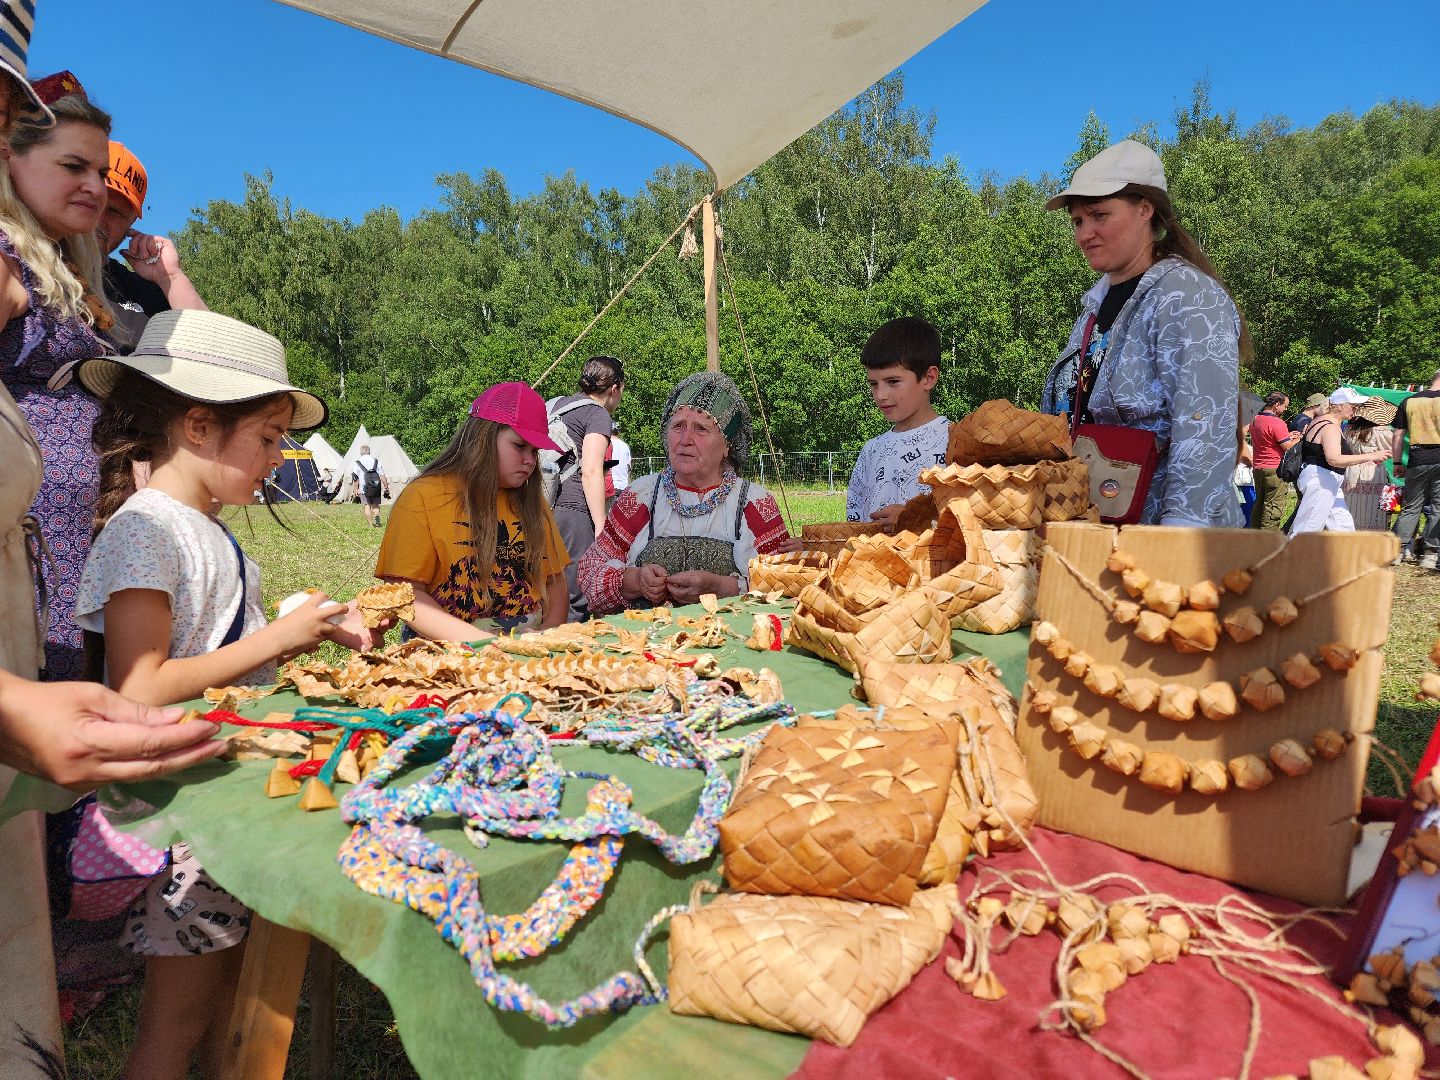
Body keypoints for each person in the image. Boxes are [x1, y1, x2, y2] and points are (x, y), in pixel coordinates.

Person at [71, 310, 378, 1080]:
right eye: (269, 437)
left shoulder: (207, 528)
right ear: (200, 427)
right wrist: (276, 640)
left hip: (229, 802)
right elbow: (140, 685)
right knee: (175, 1025)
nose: (280, 457)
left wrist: (306, 626)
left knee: (243, 1010)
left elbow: (216, 651)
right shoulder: (147, 529)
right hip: (188, 820)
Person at [1040, 141, 1246, 527]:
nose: (1085, 234)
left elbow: (1205, 424)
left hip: (1161, 536)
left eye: (1099, 215)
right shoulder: (1095, 306)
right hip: (1098, 526)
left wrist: (1179, 536)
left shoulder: (1185, 295)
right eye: (1078, 221)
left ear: (1144, 209)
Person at [0, 83, 123, 680]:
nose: (96, 187)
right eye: (73, 166)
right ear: (9, 157)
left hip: (74, 536)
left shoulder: (58, 264)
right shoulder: (5, 260)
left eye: (100, 172)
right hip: (26, 540)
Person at [578, 371, 793, 615]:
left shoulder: (753, 503)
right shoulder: (641, 496)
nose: (685, 439)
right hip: (646, 637)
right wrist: (635, 581)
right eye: (678, 426)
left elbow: (786, 583)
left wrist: (722, 587)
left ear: (727, 445)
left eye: (701, 428)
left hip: (730, 638)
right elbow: (589, 573)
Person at [375, 382, 570, 638]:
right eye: (520, 446)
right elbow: (405, 593)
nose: (530, 460)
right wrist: (482, 643)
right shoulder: (423, 496)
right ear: (482, 438)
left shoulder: (532, 502)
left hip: (526, 645)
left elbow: (556, 581)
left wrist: (548, 631)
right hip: (444, 647)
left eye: (535, 451)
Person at [97, 140, 206, 344]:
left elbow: (210, 348)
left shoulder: (144, 295)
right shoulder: (32, 266)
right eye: (93, 202)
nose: (98, 219)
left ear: (132, 223)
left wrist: (171, 277)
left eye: (114, 211)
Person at [845, 317, 949, 529]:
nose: (880, 395)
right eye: (874, 384)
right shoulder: (871, 451)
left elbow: (975, 525)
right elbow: (854, 528)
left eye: (893, 382)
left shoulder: (957, 442)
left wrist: (915, 519)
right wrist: (814, 542)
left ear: (929, 378)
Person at [548, 355, 624, 620]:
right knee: (576, 595)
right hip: (572, 509)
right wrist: (602, 526)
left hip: (541, 503)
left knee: (548, 589)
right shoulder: (598, 414)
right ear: (614, 388)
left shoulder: (557, 404)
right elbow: (591, 471)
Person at [1289, 389, 1391, 535]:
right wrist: (1371, 456)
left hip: (1325, 479)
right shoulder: (1330, 426)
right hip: (1321, 479)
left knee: (1343, 526)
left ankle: (1346, 550)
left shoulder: (1322, 420)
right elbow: (1334, 459)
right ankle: (1294, 550)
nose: (1356, 411)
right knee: (1308, 529)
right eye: (1353, 407)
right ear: (1340, 406)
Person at [1392, 369, 1440, 568]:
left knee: (1411, 507)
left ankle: (1395, 551)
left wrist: (1397, 463)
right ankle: (1430, 554)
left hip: (1417, 458)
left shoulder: (1409, 401)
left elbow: (1398, 435)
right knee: (1438, 508)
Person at [1343, 398, 1396, 532]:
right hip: (1371, 471)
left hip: (1350, 469)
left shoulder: (1350, 429)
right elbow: (1392, 449)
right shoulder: (1380, 431)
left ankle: (1350, 534)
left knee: (1351, 505)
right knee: (1370, 507)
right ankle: (1370, 538)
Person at [1249, 392, 1299, 530]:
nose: (1286, 409)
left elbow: (1269, 439)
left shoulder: (1255, 419)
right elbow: (1287, 447)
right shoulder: (1277, 422)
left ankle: (1253, 537)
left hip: (1258, 467)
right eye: (1285, 406)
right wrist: (1299, 438)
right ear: (1277, 404)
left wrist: (1287, 436)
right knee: (1272, 508)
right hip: (1274, 469)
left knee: (1259, 505)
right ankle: (1268, 539)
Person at [352, 443, 388, 526]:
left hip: (364, 488)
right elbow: (382, 476)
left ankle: (371, 525)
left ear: (361, 452)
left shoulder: (357, 462)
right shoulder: (376, 461)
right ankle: (377, 522)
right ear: (369, 452)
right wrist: (386, 487)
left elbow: (355, 478)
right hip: (376, 486)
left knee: (367, 505)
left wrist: (356, 489)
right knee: (375, 505)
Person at [610, 421, 632, 492]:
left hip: (609, 486)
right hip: (623, 486)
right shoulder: (625, 446)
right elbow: (629, 467)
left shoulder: (606, 444)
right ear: (618, 432)